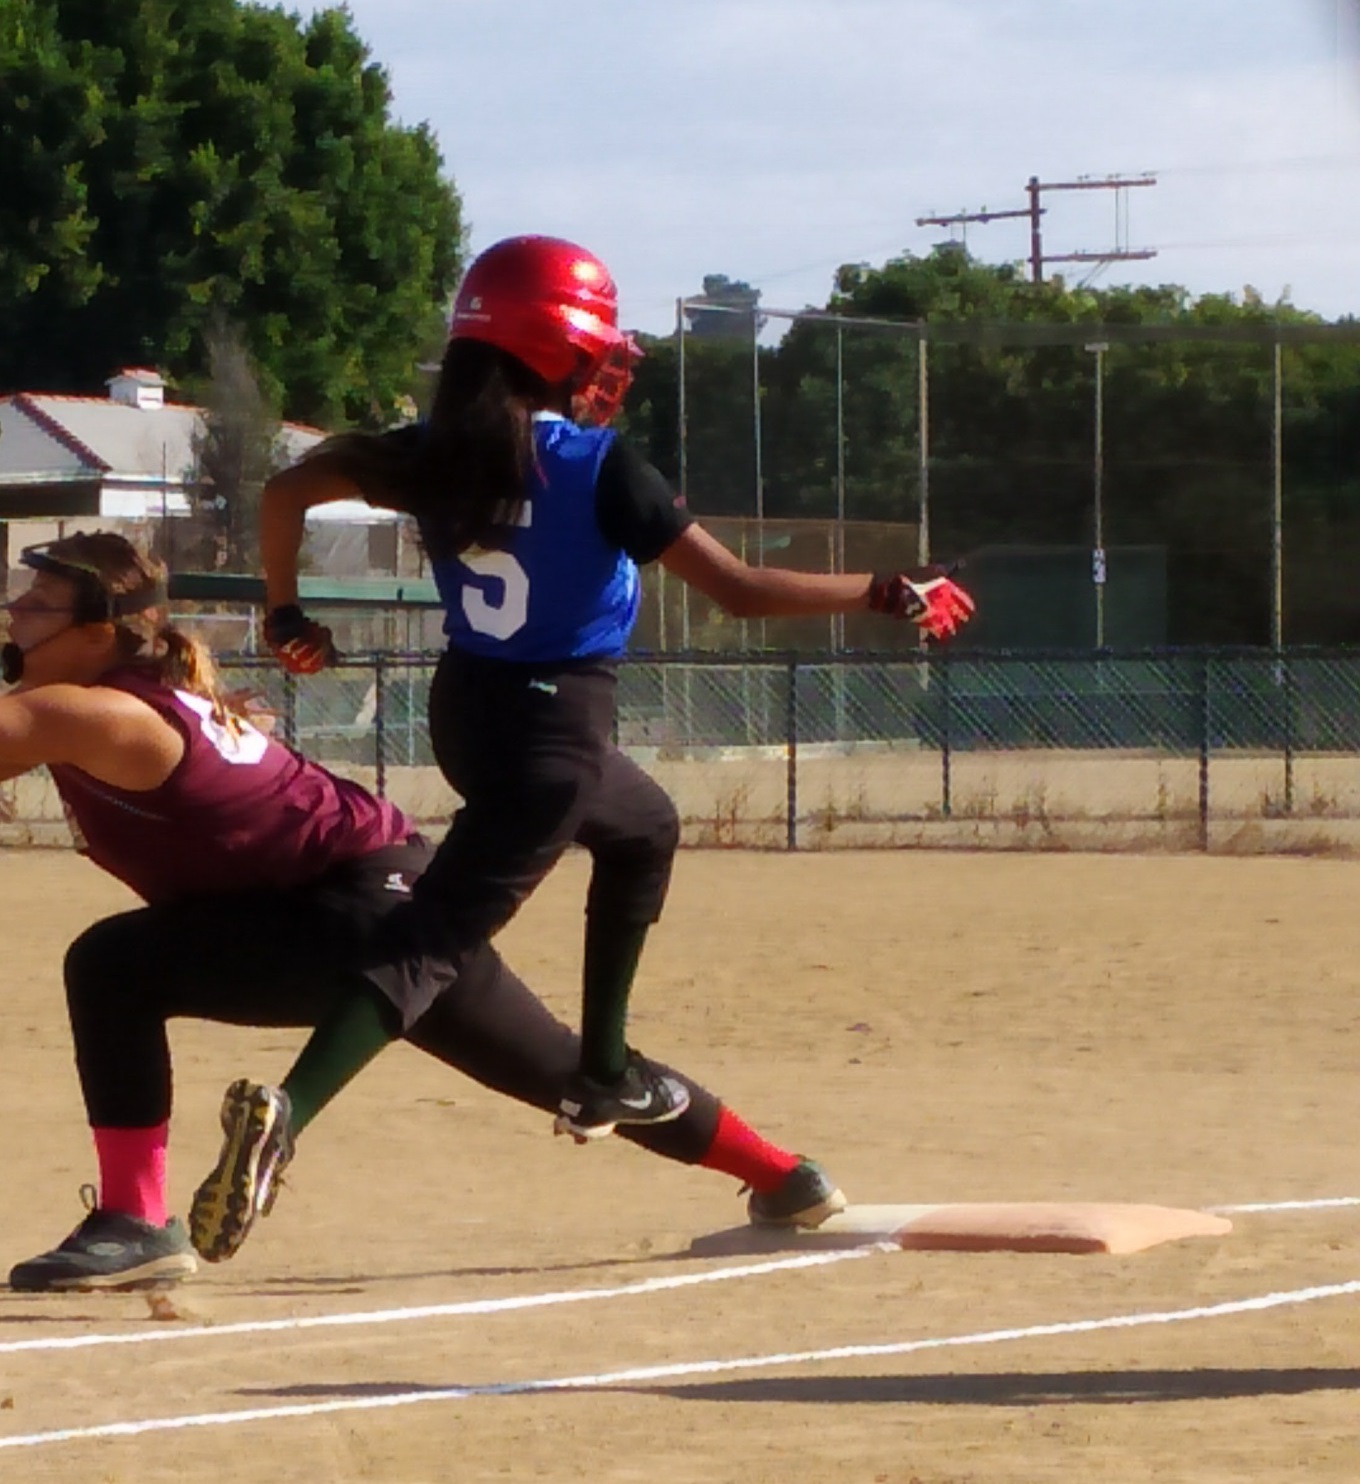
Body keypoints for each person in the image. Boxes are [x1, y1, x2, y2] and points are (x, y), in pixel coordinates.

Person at [0, 530, 848, 1290]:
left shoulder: (107, 712)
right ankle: (782, 1176)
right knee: (558, 1065)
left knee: (116, 964)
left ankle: (136, 1218)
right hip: (351, 908)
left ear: (103, 628)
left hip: (365, 903)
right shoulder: (77, 705)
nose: (13, 612)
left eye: (36, 602)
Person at [256, 234, 975, 1148]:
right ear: (554, 350)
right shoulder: (600, 467)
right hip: (551, 731)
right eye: (593, 347)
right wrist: (882, 591)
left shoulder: (426, 453)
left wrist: (285, 616)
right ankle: (288, 1114)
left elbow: (284, 493)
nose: (605, 366)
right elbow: (738, 590)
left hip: (470, 709)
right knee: (431, 942)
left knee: (645, 829)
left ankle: (604, 1072)